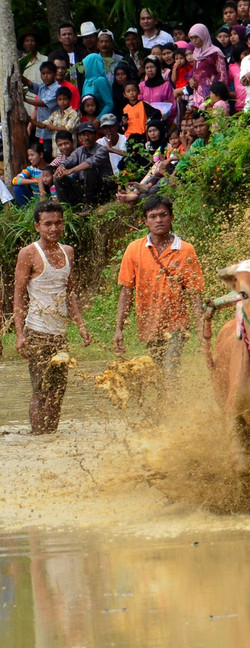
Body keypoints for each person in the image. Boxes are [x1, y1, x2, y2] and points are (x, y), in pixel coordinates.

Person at [13, 200, 92, 435]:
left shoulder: (68, 252)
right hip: (36, 332)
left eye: (58, 223)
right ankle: (39, 436)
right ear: (37, 226)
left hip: (60, 333)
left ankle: (51, 439)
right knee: (40, 389)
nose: (53, 228)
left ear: (63, 224)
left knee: (58, 390)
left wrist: (81, 325)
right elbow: (18, 296)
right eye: (47, 224)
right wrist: (19, 335)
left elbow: (70, 293)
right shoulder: (28, 254)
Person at [114, 195, 206, 376]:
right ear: (146, 221)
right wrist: (119, 328)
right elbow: (127, 291)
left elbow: (195, 293)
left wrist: (201, 330)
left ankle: (173, 404)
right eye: (153, 216)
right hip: (148, 323)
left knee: (170, 369)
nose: (159, 220)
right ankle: (166, 404)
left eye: (163, 215)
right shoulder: (134, 249)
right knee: (158, 373)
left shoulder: (185, 250)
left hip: (176, 323)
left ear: (171, 218)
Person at [54, 122, 116, 206]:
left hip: (102, 188)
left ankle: (89, 205)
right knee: (58, 177)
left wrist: (70, 171)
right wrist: (61, 167)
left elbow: (89, 163)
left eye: (89, 134)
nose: (86, 138)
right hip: (85, 188)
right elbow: (69, 161)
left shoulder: (102, 150)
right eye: (83, 135)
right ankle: (66, 207)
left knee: (90, 170)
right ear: (79, 138)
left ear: (95, 135)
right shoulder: (79, 150)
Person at [186, 23, 229, 106]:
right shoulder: (196, 54)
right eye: (191, 38)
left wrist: (218, 96)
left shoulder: (215, 53)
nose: (194, 40)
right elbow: (196, 73)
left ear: (203, 35)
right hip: (198, 96)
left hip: (213, 96)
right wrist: (191, 80)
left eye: (196, 37)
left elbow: (223, 76)